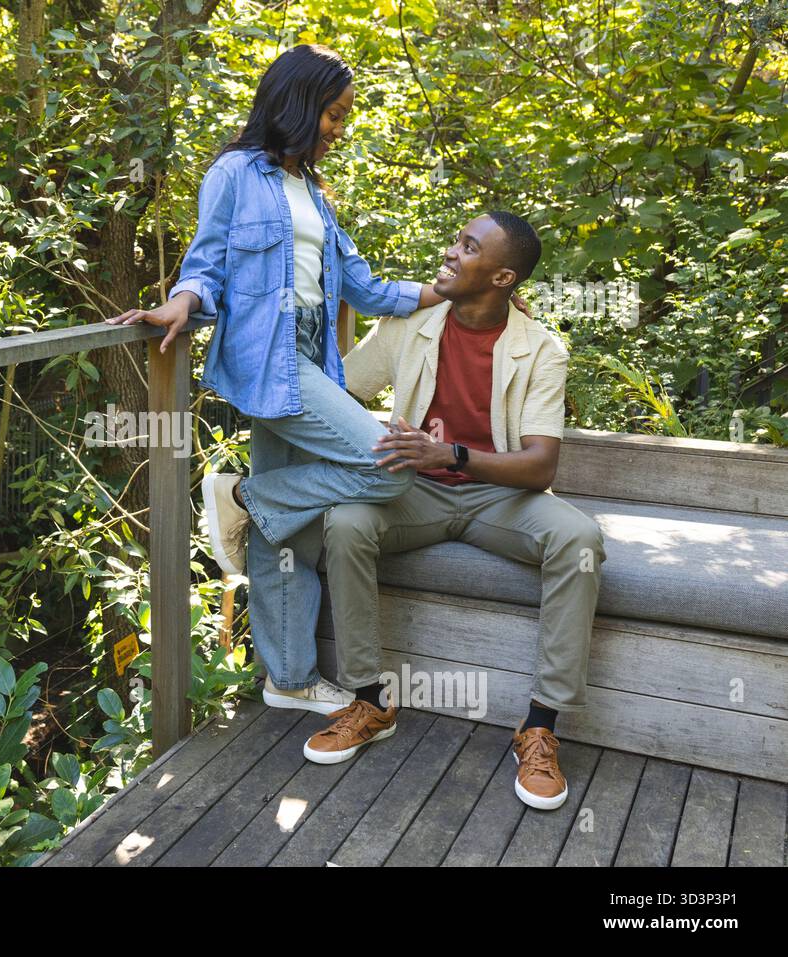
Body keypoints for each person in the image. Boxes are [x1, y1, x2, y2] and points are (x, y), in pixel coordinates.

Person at [106, 44, 447, 716]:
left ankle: (288, 677)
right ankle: (242, 492)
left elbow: (367, 288)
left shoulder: (314, 193)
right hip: (271, 359)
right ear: (298, 100)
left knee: (283, 530)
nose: (339, 128)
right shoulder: (235, 172)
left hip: (316, 358)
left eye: (344, 116)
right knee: (390, 464)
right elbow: (207, 265)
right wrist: (182, 301)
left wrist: (456, 291)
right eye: (334, 113)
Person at [303, 211, 606, 811]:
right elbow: (336, 397)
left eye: (468, 247)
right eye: (457, 240)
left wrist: (451, 453)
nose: (450, 252)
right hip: (412, 493)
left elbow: (541, 467)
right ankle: (369, 701)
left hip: (501, 497)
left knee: (580, 540)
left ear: (502, 277)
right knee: (346, 523)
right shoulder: (407, 325)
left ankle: (540, 728)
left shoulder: (541, 350)